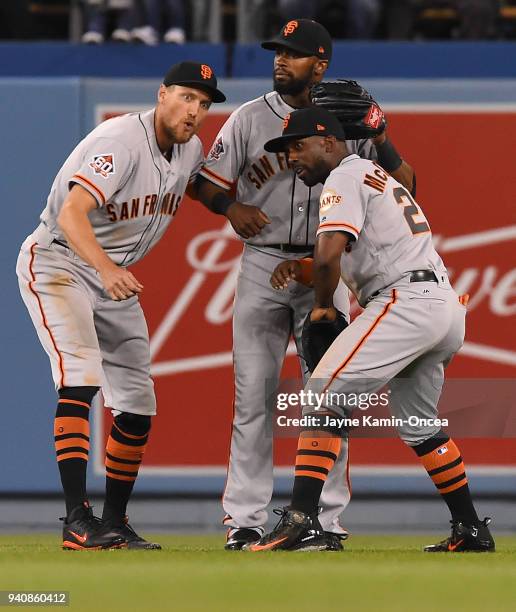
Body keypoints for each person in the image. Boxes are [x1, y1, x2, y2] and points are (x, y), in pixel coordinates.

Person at [195, 18, 415, 551]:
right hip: (263, 263)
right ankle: (243, 518)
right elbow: (206, 183)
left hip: (328, 271)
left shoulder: (347, 115)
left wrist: (381, 138)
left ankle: (326, 519)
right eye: (277, 51)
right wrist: (231, 205)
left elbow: (406, 186)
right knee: (254, 396)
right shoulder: (250, 118)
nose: (279, 60)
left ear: (320, 65)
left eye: (292, 54)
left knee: (330, 397)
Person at [245, 106, 495, 552]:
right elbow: (346, 259)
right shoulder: (376, 176)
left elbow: (328, 256)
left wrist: (322, 309)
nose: (292, 158)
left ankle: (302, 520)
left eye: (298, 146)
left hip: (406, 303)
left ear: (329, 142)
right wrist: (307, 272)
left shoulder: (343, 175)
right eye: (286, 151)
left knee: (321, 396)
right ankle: (471, 528)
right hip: (441, 305)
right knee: (420, 424)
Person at [16, 61, 226, 550]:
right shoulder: (119, 142)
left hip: (110, 275)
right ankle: (75, 520)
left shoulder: (189, 148)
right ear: (161, 94)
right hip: (60, 260)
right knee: (81, 377)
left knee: (137, 402)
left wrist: (231, 208)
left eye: (204, 102)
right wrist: (107, 270)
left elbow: (191, 181)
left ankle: (113, 522)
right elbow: (72, 213)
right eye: (186, 97)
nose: (195, 110)